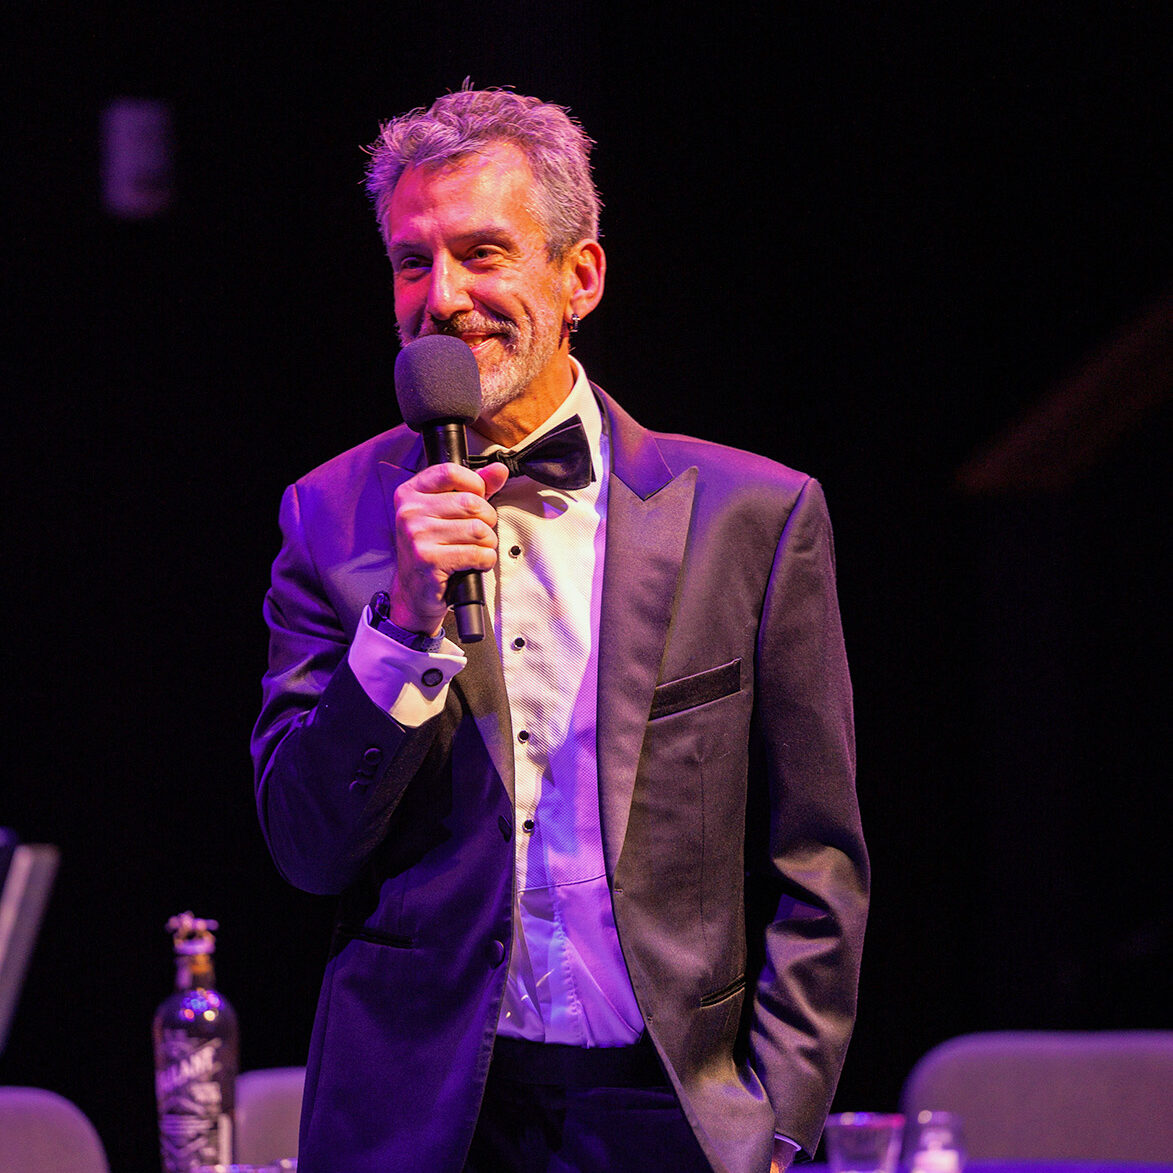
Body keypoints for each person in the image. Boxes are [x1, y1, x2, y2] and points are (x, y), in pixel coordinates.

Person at [252, 87, 868, 1173]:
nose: (443, 298)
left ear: (579, 276)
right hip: (419, 1117)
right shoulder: (329, 516)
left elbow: (816, 856)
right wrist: (401, 624)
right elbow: (305, 847)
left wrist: (774, 1121)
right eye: (411, 261)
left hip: (664, 1108)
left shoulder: (750, 516)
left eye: (484, 253)